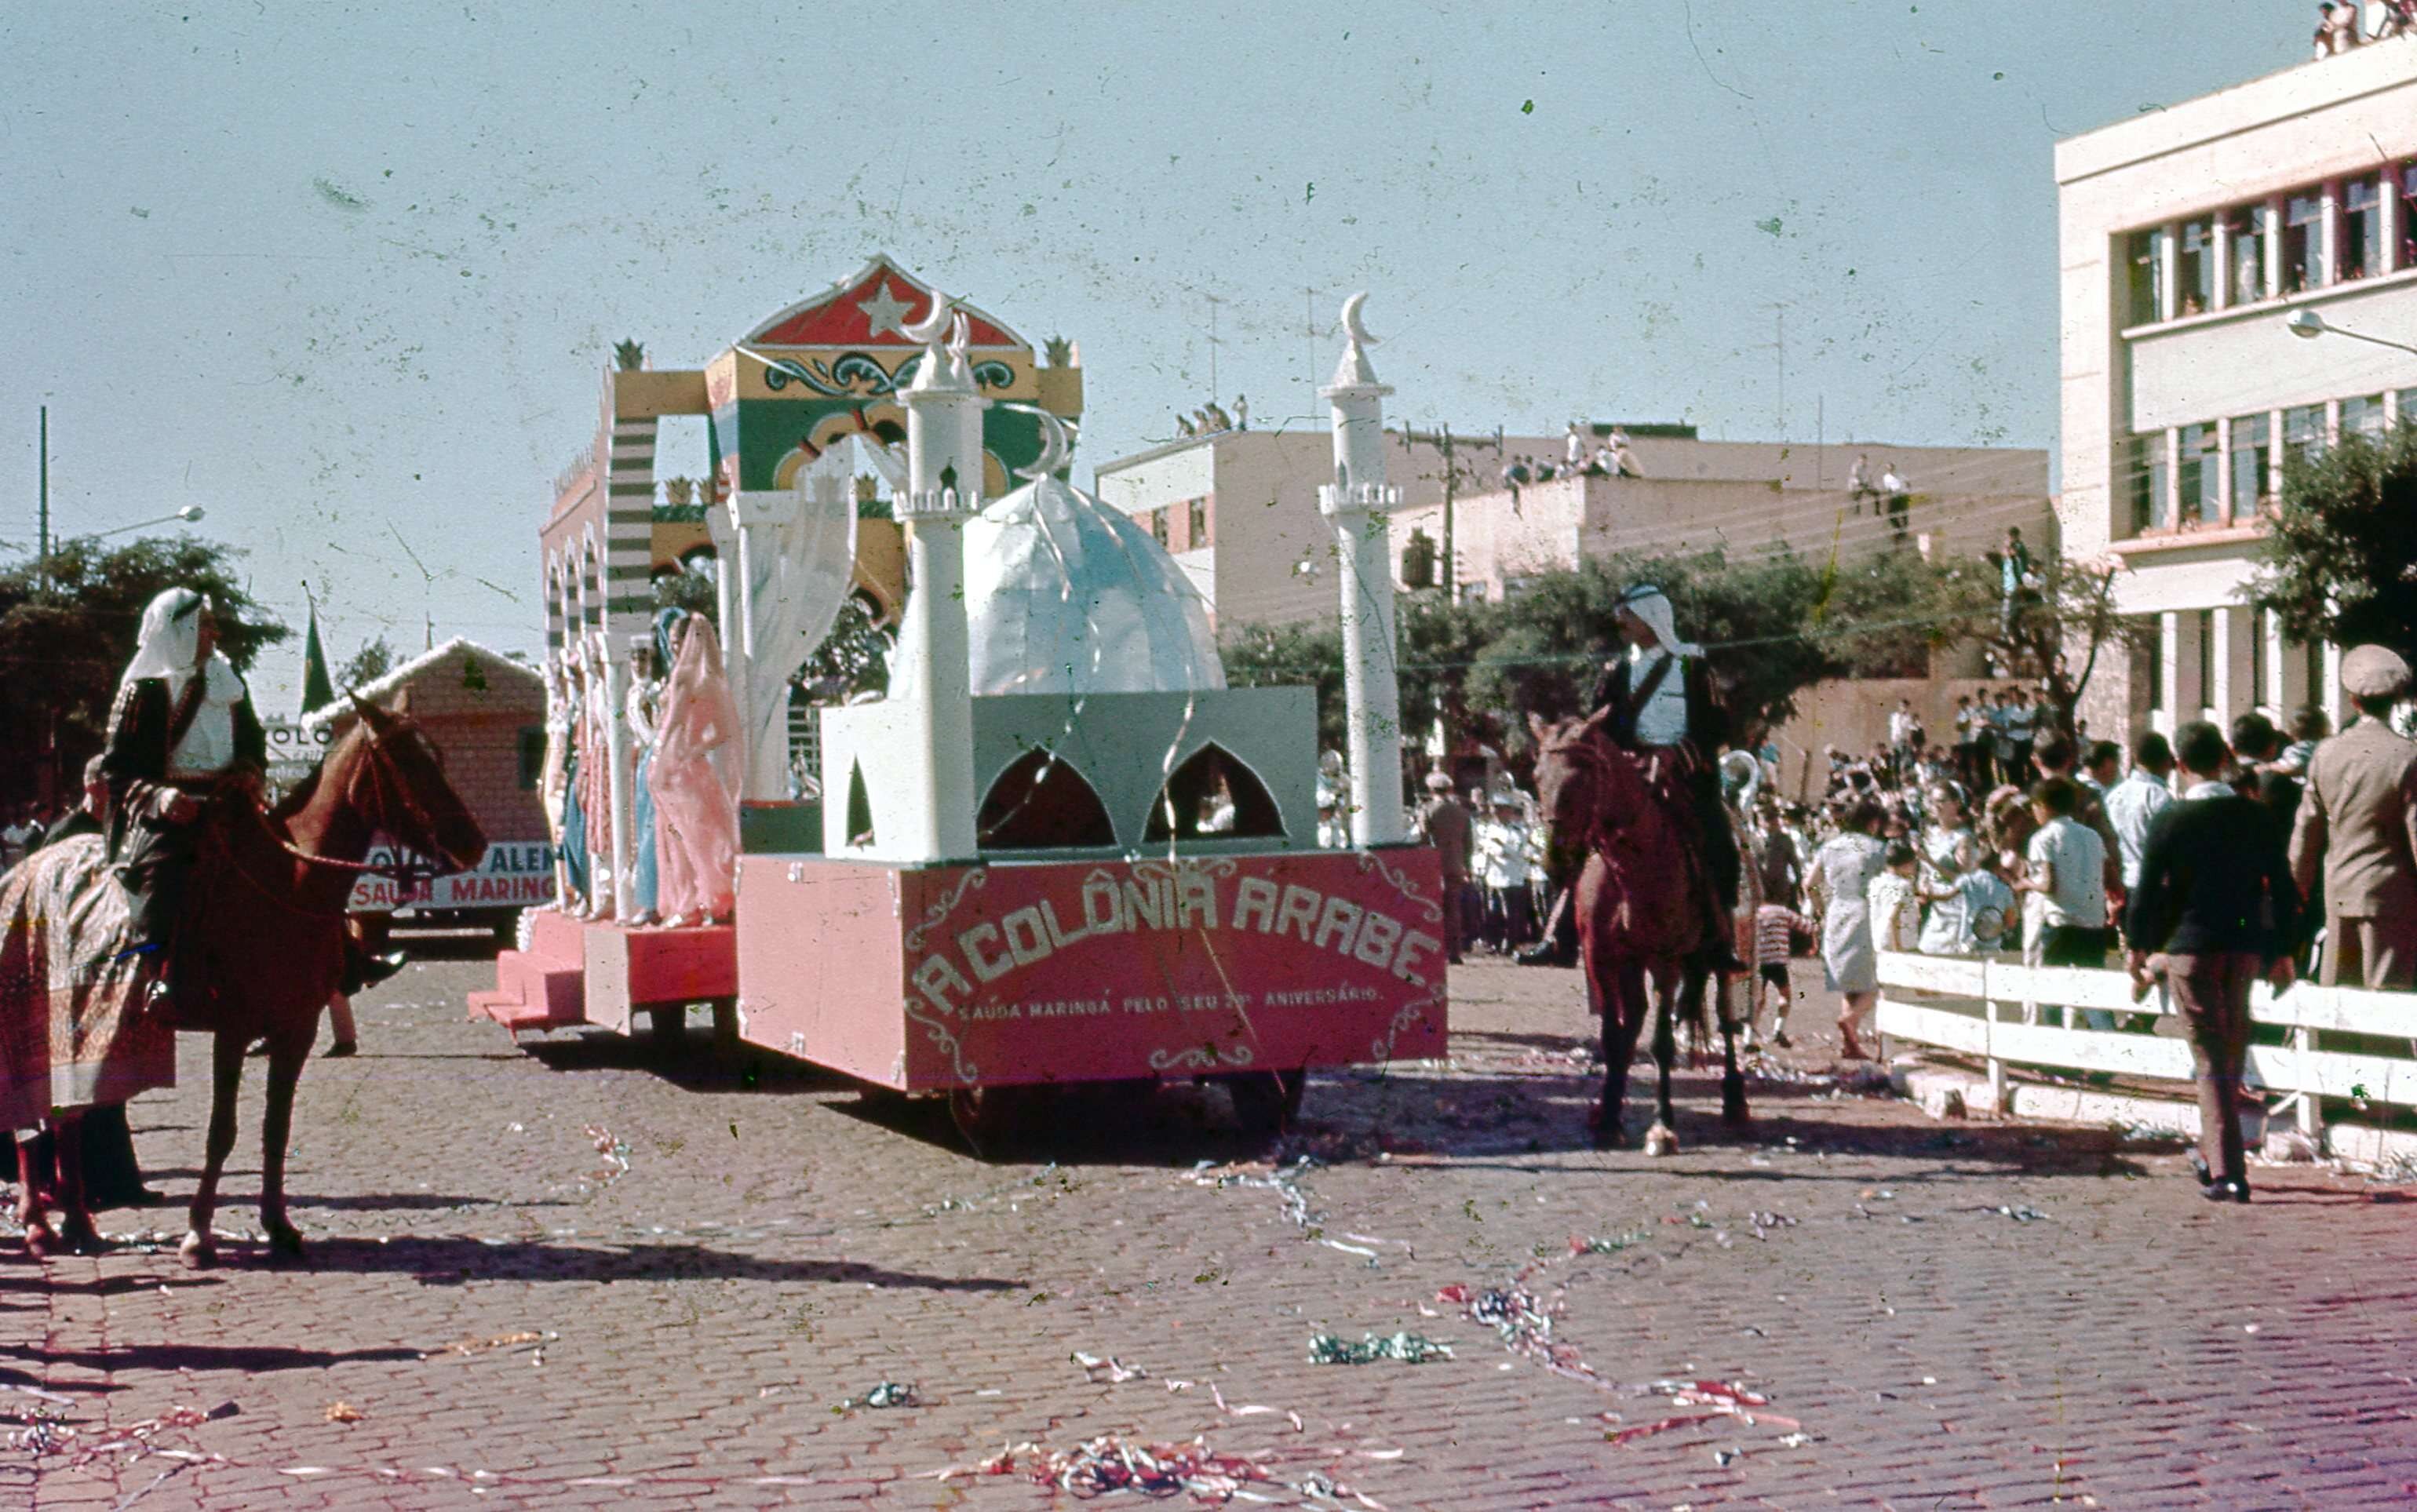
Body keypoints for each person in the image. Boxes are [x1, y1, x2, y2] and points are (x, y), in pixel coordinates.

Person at [2126, 720, 2300, 1204]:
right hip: (2243, 948)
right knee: (2231, 1048)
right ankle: (2218, 1152)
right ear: (2225, 755)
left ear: (2180, 764)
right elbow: (2283, 888)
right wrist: (2284, 948)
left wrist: (2137, 946)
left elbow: (2146, 893)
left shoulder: (2171, 819)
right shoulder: (2255, 816)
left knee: (2209, 1060)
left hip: (2192, 947)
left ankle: (2226, 1169)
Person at [100, 588, 269, 1018]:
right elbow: (115, 771)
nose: (214, 631)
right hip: (169, 815)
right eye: (206, 624)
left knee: (290, 862)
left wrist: (250, 771)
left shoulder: (230, 683)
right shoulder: (144, 691)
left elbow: (254, 744)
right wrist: (161, 797)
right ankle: (161, 976)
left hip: (230, 805)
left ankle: (344, 963)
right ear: (182, 629)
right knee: (162, 884)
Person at [1584, 583, 1743, 968]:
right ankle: (1563, 930)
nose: (1623, 625)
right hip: (1629, 772)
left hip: (1684, 773)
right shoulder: (1615, 670)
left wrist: (1678, 753)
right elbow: (1599, 725)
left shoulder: (1692, 665)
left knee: (1721, 844)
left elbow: (1717, 725)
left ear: (1653, 619)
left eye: (1630, 618)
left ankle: (1723, 939)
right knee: (1582, 836)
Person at [2289, 645, 2417, 989]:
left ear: (2353, 700)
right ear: (2396, 699)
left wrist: (2296, 891)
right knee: (2388, 1003)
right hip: (2392, 897)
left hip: (2338, 891)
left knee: (2339, 1002)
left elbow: (2307, 831)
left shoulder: (2325, 753)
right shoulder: (2407, 757)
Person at [650, 616, 742, 927]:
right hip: (693, 766)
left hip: (675, 767)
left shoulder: (685, 676)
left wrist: (665, 752)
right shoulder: (713, 680)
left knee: (681, 838)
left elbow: (673, 720)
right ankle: (709, 902)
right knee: (698, 837)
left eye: (679, 641)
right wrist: (696, 749)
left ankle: (689, 904)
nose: (676, 647)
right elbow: (723, 732)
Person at [1806, 800, 1889, 1060]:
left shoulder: (1829, 847)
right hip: (1866, 911)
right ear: (1873, 823)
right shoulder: (1877, 849)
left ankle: (1849, 1043)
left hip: (1837, 909)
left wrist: (1820, 909)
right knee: (1876, 979)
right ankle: (1850, 1020)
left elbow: (1809, 884)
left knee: (1849, 979)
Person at [2016, 777, 2113, 993]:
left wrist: (2025, 883)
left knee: (2054, 992)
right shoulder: (2092, 836)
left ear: (2043, 806)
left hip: (2061, 923)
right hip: (2093, 923)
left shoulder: (2042, 839)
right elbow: (2110, 875)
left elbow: (2048, 885)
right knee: (2093, 993)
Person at [625, 610, 681, 926]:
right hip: (646, 762)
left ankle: (659, 901)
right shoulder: (635, 693)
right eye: (635, 657)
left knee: (658, 832)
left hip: (662, 760)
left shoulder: (658, 690)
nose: (639, 663)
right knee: (644, 832)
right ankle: (648, 899)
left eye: (645, 656)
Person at [2105, 730, 2176, 904]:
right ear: (2166, 761)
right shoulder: (2160, 797)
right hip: (2158, 886)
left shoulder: (2114, 796)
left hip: (2125, 882)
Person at [1918, 837, 2015, 958]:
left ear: (1977, 863)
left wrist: (1927, 895)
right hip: (1992, 944)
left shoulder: (1967, 881)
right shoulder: (2005, 889)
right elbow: (2011, 922)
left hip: (1968, 943)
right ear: (1998, 867)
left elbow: (1946, 897)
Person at [1415, 770, 1475, 964]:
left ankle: (1435, 950)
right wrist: (1467, 865)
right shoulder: (1462, 813)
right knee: (1454, 910)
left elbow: (1424, 838)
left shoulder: (1428, 810)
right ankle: (1455, 951)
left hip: (1434, 866)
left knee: (1431, 908)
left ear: (1431, 789)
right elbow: (1469, 844)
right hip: (1456, 865)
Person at [1476, 794, 1540, 953]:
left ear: (1510, 811)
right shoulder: (1486, 829)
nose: (1497, 812)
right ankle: (1493, 943)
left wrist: (1501, 848)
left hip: (1513, 877)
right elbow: (1485, 847)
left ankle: (1511, 943)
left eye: (1502, 809)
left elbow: (1522, 851)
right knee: (1493, 912)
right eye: (1496, 809)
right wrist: (1498, 849)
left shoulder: (1519, 831)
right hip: (1493, 877)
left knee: (1513, 914)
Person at [1868, 840, 1922, 955]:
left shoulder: (1876, 882)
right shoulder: (1903, 886)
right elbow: (1893, 918)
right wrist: (1898, 950)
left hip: (1879, 942)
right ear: (1908, 864)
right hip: (1900, 944)